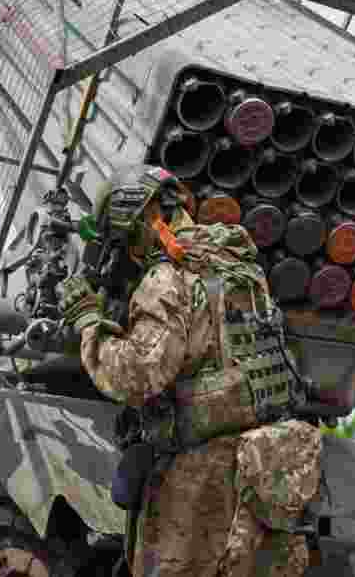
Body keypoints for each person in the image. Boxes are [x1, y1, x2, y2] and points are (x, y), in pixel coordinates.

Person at [61, 165, 322, 577]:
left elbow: (137, 375)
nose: (129, 253)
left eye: (126, 240)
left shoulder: (167, 279)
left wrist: (88, 323)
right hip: (264, 478)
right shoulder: (243, 270)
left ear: (141, 220)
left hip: (205, 486)